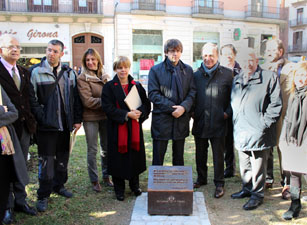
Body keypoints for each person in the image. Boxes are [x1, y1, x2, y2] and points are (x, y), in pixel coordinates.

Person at [30, 39, 82, 212]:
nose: (51, 54)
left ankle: (59, 186)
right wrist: (43, 118)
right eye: (49, 50)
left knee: (62, 159)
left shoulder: (68, 73)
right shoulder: (36, 72)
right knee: (46, 161)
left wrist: (76, 119)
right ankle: (43, 195)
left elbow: (75, 99)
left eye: (55, 51)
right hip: (46, 127)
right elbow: (32, 100)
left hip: (64, 126)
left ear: (62, 53)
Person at [231, 48, 282, 210]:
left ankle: (257, 195)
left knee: (258, 166)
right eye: (245, 60)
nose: (248, 63)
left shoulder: (269, 78)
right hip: (241, 129)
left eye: (251, 60)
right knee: (244, 163)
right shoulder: (238, 78)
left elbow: (276, 105)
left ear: (257, 61)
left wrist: (263, 124)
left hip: (260, 131)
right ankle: (246, 189)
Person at [101, 56, 150, 201]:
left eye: (126, 67)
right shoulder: (109, 87)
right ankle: (119, 189)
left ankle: (135, 186)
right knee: (118, 158)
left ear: (129, 68)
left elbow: (146, 104)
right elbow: (107, 108)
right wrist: (126, 114)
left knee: (134, 156)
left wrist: (140, 112)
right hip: (117, 128)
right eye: (120, 67)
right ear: (115, 69)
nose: (123, 70)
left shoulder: (137, 85)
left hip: (134, 127)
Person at [0, 34, 37, 224]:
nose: (15, 50)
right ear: (1, 50)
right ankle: (7, 206)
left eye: (18, 47)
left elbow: (29, 98)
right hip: (4, 130)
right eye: (10, 47)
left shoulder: (23, 71)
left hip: (23, 127)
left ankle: (21, 201)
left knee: (21, 165)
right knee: (6, 169)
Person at [192, 43, 233, 199]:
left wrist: (227, 113)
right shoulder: (195, 75)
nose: (208, 59)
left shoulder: (227, 74)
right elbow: (191, 95)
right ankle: (201, 178)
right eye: (205, 56)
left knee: (218, 155)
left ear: (217, 57)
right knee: (200, 153)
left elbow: (233, 98)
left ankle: (219, 183)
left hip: (219, 121)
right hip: (200, 120)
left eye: (211, 55)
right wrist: (192, 113)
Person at [148, 39, 196, 166]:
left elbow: (192, 92)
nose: (175, 54)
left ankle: (178, 184)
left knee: (179, 156)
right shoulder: (155, 70)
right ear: (165, 52)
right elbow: (153, 94)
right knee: (158, 156)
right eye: (172, 51)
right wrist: (172, 108)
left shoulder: (188, 70)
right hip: (162, 119)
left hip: (181, 119)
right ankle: (157, 184)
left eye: (178, 51)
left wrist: (184, 107)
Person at [77, 48, 113, 192]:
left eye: (93, 59)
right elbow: (88, 101)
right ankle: (94, 180)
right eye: (88, 60)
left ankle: (106, 176)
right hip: (90, 118)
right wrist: (107, 102)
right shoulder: (82, 78)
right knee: (92, 149)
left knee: (106, 148)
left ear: (98, 60)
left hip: (105, 116)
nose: (91, 62)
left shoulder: (105, 76)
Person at [262, 39, 294, 199]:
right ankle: (268, 178)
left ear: (280, 52)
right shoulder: (262, 68)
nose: (268, 52)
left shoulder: (291, 68)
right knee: (267, 148)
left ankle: (286, 183)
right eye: (266, 49)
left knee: (284, 150)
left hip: (285, 116)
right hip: (267, 115)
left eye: (272, 49)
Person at [279, 61, 307, 220]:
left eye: (305, 75)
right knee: (294, 175)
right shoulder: (293, 95)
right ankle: (294, 205)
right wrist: (283, 140)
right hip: (292, 141)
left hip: (305, 142)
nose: (301, 79)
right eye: (299, 75)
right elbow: (288, 119)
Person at [0, 87, 29, 223]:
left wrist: (5, 111)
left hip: (4, 143)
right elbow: (6, 112)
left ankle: (8, 208)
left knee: (5, 176)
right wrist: (1, 110)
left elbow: (13, 113)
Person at [220, 44, 241, 178]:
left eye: (230, 53)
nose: (228, 56)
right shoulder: (219, 71)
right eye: (225, 53)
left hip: (238, 111)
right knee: (226, 140)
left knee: (236, 140)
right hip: (223, 110)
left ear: (234, 55)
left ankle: (238, 168)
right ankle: (229, 168)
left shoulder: (241, 71)